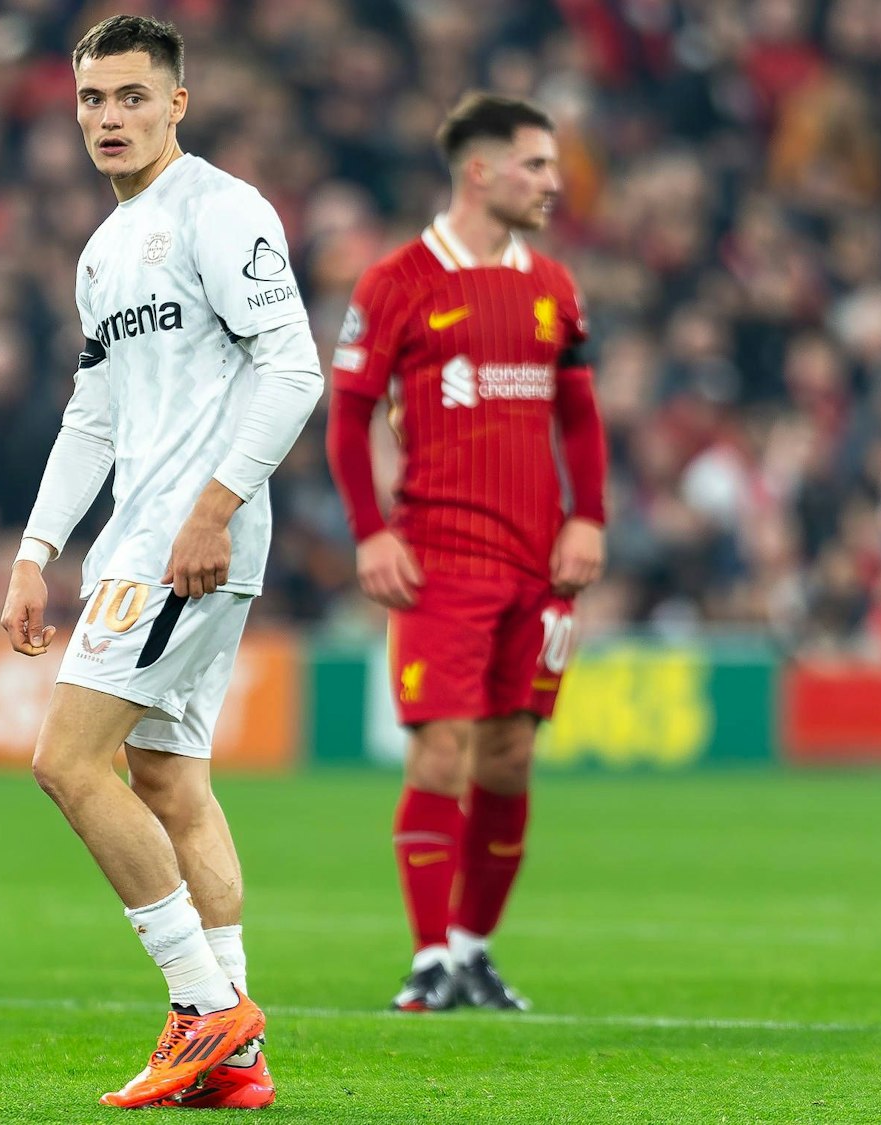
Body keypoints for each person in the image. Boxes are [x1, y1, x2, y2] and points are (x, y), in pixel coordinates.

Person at [0, 15, 324, 1109]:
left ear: (176, 103)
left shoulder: (221, 212)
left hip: (186, 540)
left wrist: (212, 510)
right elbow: (91, 415)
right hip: (143, 532)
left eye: (132, 97)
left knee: (64, 762)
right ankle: (234, 1056)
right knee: (171, 782)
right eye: (92, 100)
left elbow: (292, 369)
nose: (108, 119)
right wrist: (35, 549)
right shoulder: (101, 252)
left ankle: (201, 1005)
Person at [326, 92, 608, 1012]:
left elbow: (579, 413)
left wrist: (588, 516)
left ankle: (475, 949)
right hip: (439, 557)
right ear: (480, 170)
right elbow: (348, 417)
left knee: (510, 756)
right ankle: (427, 956)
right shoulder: (398, 281)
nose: (552, 184)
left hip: (540, 563)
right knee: (439, 752)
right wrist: (371, 531)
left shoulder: (555, 286)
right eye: (536, 166)